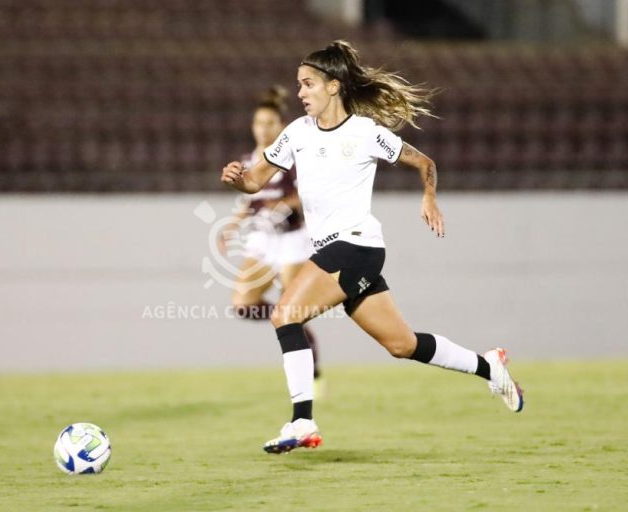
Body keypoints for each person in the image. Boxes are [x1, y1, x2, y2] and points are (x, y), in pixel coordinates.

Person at [220, 40, 523, 455]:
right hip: (338, 251)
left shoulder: (365, 133)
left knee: (285, 314)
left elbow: (424, 162)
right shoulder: (297, 134)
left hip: (355, 247)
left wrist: (429, 197)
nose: (301, 92)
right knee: (402, 345)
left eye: (307, 84)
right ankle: (491, 366)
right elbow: (255, 181)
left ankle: (302, 420)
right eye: (299, 85)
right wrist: (238, 177)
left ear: (333, 85)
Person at [218, 86, 324, 391]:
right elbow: (249, 201)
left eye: (269, 123)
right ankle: (285, 323)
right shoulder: (247, 159)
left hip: (291, 239)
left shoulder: (291, 157)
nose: (262, 129)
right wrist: (232, 225)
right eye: (258, 123)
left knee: (292, 309)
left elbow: (304, 195)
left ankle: (306, 365)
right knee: (242, 302)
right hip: (262, 241)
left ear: (281, 125)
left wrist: (284, 205)